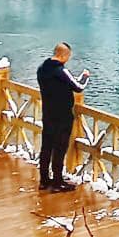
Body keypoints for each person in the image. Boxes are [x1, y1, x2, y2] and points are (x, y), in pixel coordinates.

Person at [34, 43, 90, 192]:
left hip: (48, 113)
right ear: (64, 55)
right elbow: (78, 87)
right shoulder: (60, 70)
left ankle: (44, 180)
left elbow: (65, 83)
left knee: (46, 147)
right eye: (68, 56)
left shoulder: (42, 69)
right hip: (62, 115)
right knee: (60, 148)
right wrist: (85, 76)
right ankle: (57, 182)